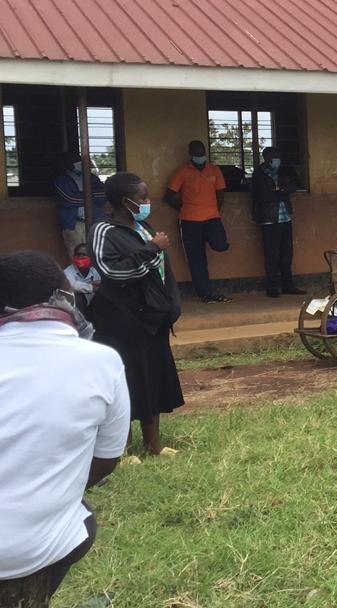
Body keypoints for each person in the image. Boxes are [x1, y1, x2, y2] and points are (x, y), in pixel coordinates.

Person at [0, 251, 129, 603]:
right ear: (64, 298)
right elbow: (106, 459)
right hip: (36, 549)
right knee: (80, 519)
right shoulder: (103, 362)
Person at [88, 172, 185, 453]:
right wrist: (151, 249)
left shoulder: (143, 227)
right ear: (124, 201)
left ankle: (153, 445)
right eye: (142, 197)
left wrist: (170, 304)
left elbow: (160, 271)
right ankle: (123, 448)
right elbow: (113, 272)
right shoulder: (103, 231)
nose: (147, 202)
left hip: (151, 319)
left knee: (151, 379)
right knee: (128, 382)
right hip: (121, 320)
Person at [165, 140, 231, 304]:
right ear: (190, 154)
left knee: (221, 245)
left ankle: (207, 237)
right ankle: (205, 292)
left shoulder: (214, 170)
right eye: (196, 153)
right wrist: (184, 208)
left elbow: (221, 193)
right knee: (196, 258)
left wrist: (215, 210)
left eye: (202, 153)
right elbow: (169, 196)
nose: (200, 156)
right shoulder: (182, 172)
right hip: (189, 221)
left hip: (212, 217)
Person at [251, 147, 305, 298]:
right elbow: (264, 195)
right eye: (274, 157)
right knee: (272, 255)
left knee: (287, 254)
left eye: (278, 156)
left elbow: (292, 186)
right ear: (266, 158)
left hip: (285, 218)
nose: (277, 160)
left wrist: (277, 190)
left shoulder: (283, 171)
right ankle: (273, 288)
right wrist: (282, 191)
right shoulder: (259, 174)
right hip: (269, 220)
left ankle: (288, 285)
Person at [54, 153, 109, 258]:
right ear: (69, 164)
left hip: (95, 222)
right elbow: (70, 199)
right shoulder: (62, 180)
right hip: (75, 224)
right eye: (77, 161)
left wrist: (82, 196)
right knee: (78, 256)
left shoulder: (93, 178)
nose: (80, 163)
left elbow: (103, 195)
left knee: (98, 255)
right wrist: (92, 196)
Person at [63, 243, 102, 313]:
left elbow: (103, 283)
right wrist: (93, 287)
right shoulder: (68, 272)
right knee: (77, 294)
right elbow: (73, 286)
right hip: (77, 309)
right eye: (78, 254)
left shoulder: (95, 270)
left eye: (84, 254)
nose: (80, 257)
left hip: (94, 306)